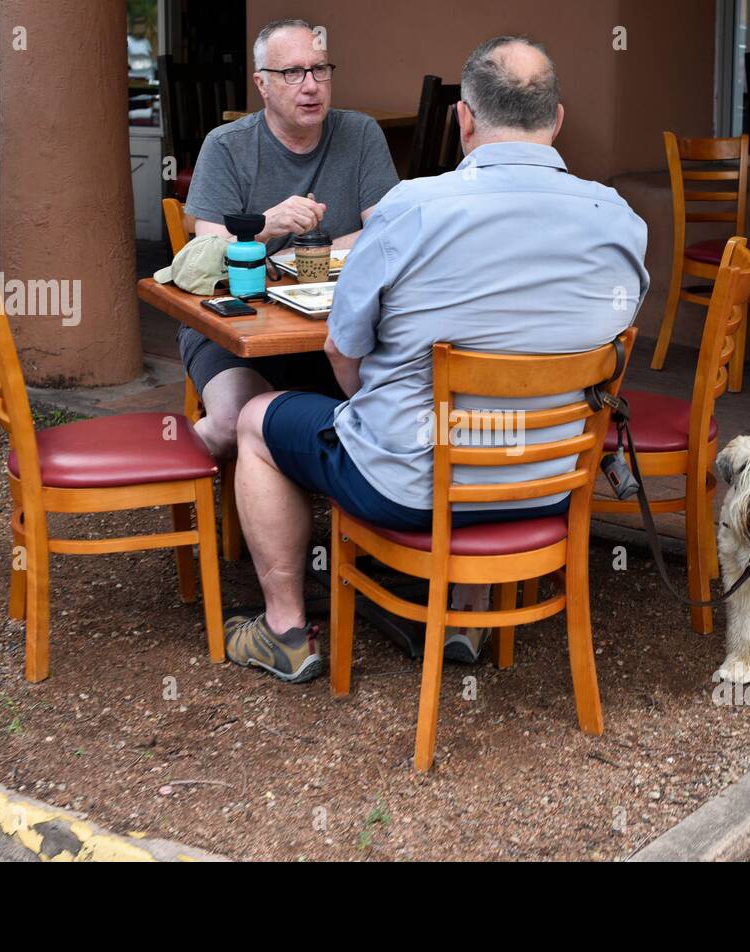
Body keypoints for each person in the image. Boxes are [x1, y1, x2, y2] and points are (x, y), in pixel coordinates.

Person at [223, 35, 650, 682]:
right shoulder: (621, 220)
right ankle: (463, 618)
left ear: (464, 118)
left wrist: (373, 404)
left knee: (255, 419)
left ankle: (284, 630)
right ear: (557, 120)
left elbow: (341, 348)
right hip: (552, 487)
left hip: (406, 489)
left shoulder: (411, 209)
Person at [178, 17, 399, 460]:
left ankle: (337, 499)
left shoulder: (360, 133)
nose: (311, 85)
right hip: (235, 328)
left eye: (320, 69)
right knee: (228, 425)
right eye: (292, 73)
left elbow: (390, 231)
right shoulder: (227, 145)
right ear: (262, 83)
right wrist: (266, 224)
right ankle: (173, 481)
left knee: (391, 413)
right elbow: (208, 250)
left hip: (337, 326)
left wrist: (308, 253)